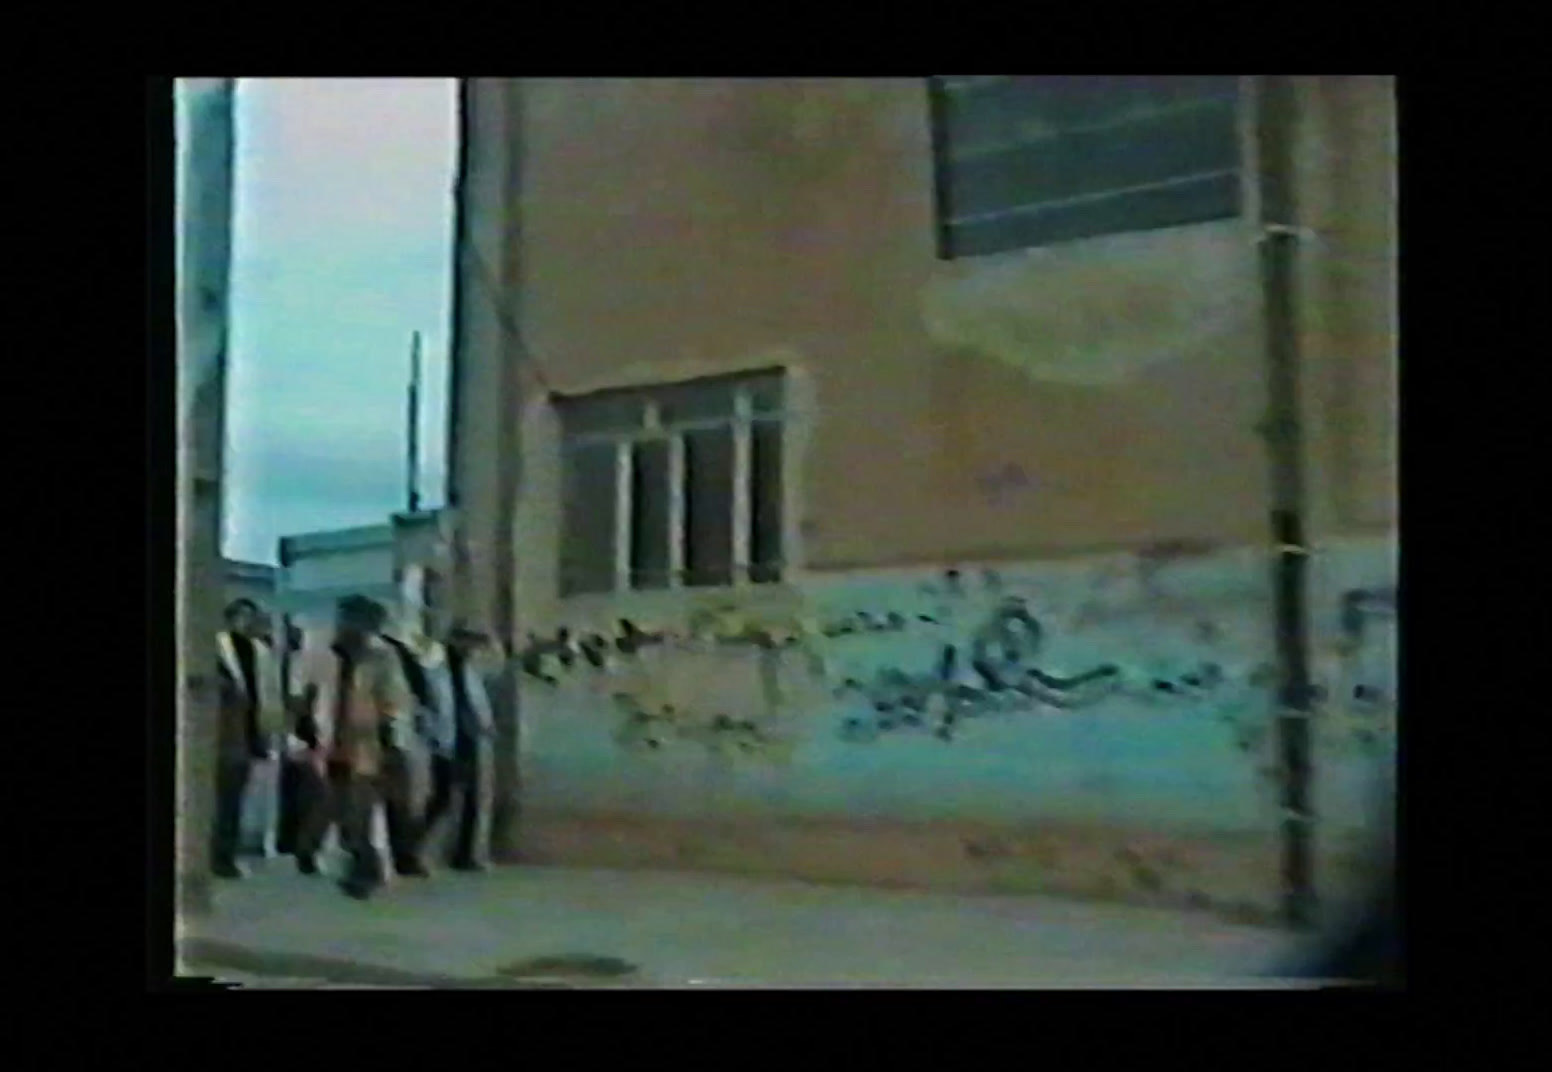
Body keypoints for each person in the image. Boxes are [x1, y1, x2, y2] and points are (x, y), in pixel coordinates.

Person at [291, 595, 415, 900]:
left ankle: (364, 872)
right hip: (327, 740)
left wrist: (393, 740)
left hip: (365, 743)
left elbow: (395, 700)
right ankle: (306, 848)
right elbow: (303, 691)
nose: (359, 629)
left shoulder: (382, 656)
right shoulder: (320, 650)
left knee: (359, 808)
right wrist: (302, 729)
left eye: (367, 625)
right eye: (354, 621)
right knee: (329, 803)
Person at [213, 599, 286, 879]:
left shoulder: (261, 652)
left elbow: (270, 695)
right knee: (221, 799)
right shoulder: (214, 648)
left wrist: (269, 732)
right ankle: (217, 854)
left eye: (251, 617)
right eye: (242, 617)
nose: (247, 622)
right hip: (222, 734)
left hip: (248, 733)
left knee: (234, 798)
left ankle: (226, 853)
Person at [423, 623, 497, 872]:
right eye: (464, 643)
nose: (468, 649)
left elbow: (479, 705)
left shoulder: (470, 674)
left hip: (470, 742)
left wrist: (485, 726)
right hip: (445, 743)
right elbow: (428, 710)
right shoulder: (436, 674)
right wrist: (431, 735)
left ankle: (465, 855)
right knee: (442, 799)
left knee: (472, 802)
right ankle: (414, 846)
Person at [374, 612, 439, 878]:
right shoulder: (391, 652)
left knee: (398, 800)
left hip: (390, 734)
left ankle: (403, 855)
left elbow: (419, 693)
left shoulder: (392, 652)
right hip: (371, 733)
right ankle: (401, 856)